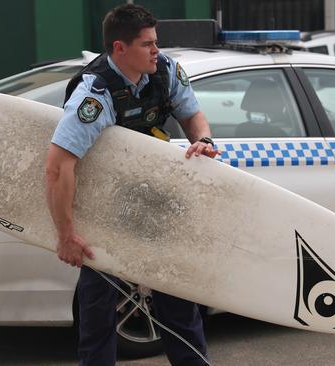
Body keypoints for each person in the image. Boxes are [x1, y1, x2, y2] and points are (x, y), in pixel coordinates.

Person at [45, 4, 217, 366]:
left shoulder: (165, 70)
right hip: (106, 207)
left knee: (178, 301)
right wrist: (66, 234)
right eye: (147, 44)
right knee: (98, 310)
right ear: (119, 49)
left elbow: (193, 116)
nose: (157, 50)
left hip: (156, 200)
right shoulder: (95, 94)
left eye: (156, 42)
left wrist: (202, 141)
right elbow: (59, 167)